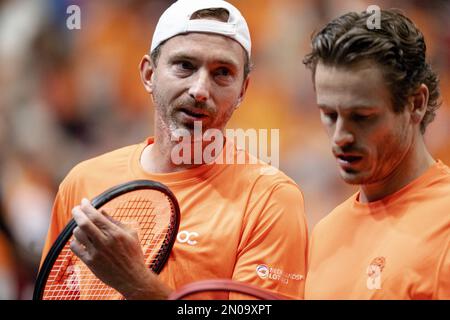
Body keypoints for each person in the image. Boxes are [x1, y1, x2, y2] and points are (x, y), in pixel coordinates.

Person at [40, 0, 308, 300]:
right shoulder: (84, 183)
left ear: (243, 90)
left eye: (222, 73)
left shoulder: (270, 199)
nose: (200, 90)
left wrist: (136, 282)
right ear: (149, 75)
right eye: (185, 66)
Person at [303, 9, 449, 299]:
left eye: (362, 116)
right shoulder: (324, 233)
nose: (340, 136)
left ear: (416, 104)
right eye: (329, 114)